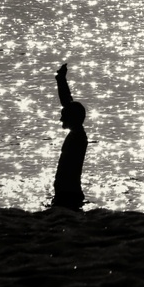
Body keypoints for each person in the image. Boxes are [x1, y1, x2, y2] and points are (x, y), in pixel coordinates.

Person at [52, 63, 88, 210]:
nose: (61, 119)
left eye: (64, 116)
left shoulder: (78, 136)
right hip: (66, 193)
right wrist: (61, 80)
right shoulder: (77, 133)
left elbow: (68, 104)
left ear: (72, 118)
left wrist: (61, 80)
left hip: (68, 195)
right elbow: (67, 102)